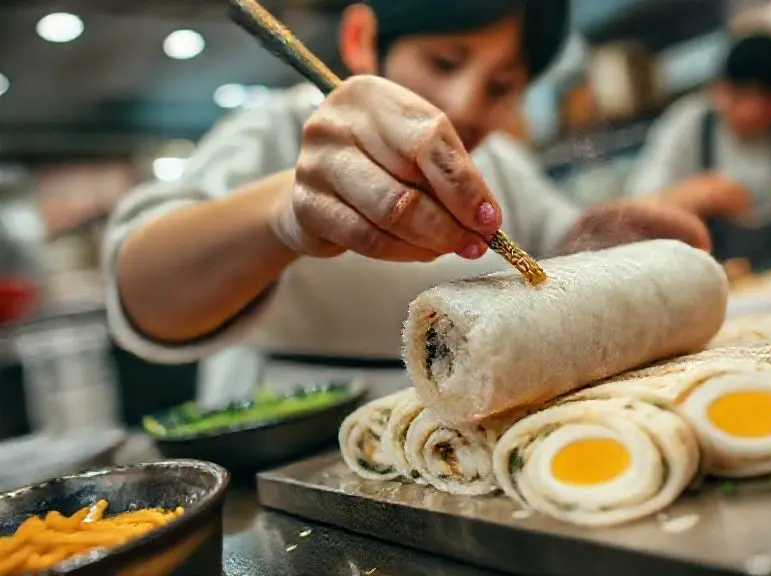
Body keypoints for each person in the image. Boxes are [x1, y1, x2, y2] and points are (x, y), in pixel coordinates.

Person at [104, 0, 709, 399]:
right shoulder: (275, 131)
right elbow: (141, 298)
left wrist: (602, 244)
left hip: (469, 446)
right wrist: (284, 215)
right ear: (363, 39)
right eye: (444, 60)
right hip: (288, 457)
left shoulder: (499, 164)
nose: (468, 104)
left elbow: (551, 255)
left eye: (502, 87)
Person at [628, 32, 771, 271]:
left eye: (768, 100)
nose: (752, 111)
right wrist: (697, 194)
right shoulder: (686, 125)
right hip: (722, 277)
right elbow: (639, 210)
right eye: (741, 96)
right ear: (719, 89)